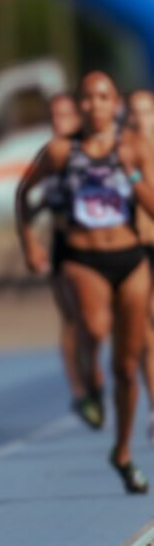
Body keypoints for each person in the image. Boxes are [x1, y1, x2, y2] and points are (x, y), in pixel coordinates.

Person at [16, 71, 154, 494]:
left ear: (116, 105)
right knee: (93, 328)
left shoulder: (132, 147)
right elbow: (25, 193)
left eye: (103, 97)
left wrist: (131, 175)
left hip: (129, 257)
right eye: (88, 98)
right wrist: (29, 245)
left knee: (127, 367)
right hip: (82, 256)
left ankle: (123, 451)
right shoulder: (60, 151)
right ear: (80, 106)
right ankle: (90, 384)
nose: (96, 105)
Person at [32, 93, 90, 419]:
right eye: (54, 114)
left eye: (65, 114)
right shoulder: (50, 153)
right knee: (71, 319)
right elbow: (32, 198)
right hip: (64, 244)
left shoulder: (95, 148)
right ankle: (80, 391)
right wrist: (32, 242)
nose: (59, 120)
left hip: (103, 246)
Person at [127, 87, 154, 444]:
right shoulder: (121, 152)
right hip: (136, 245)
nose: (138, 120)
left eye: (145, 112)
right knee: (145, 327)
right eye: (132, 113)